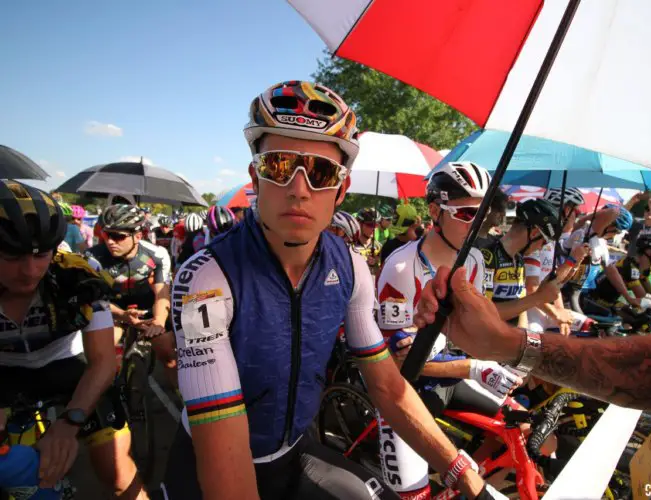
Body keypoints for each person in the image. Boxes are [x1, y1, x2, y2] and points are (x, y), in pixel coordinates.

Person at [162, 81, 498, 500]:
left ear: (340, 190)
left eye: (321, 173)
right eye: (280, 166)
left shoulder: (351, 266)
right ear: (256, 178)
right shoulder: (206, 279)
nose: (300, 189)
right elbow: (223, 449)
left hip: (293, 453)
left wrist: (465, 475)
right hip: (209, 470)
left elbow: (390, 388)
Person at [415, 185, 651, 495]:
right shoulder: (474, 257)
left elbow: (528, 301)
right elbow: (520, 303)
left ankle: (483, 471)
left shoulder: (515, 258)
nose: (546, 246)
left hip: (487, 346)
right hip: (446, 361)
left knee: (518, 416)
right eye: (466, 213)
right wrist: (505, 345)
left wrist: (517, 338)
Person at [376, 161, 524, 498]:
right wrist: (472, 367)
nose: (480, 224)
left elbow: (479, 331)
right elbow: (394, 366)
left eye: (484, 214)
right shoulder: (401, 267)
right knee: (413, 494)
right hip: (403, 389)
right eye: (468, 213)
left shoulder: (475, 260)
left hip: (446, 373)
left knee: (523, 423)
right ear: (435, 211)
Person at [0, 181, 146, 499]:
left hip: (72, 368)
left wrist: (69, 423)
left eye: (41, 255)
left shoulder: (79, 276)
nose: (30, 270)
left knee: (118, 473)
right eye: (12, 256)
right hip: (7, 375)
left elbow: (104, 361)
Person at [85, 205, 178, 389]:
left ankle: (185, 402)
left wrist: (159, 322)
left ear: (138, 236)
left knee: (168, 355)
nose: (110, 241)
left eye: (118, 236)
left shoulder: (157, 255)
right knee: (99, 358)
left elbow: (162, 294)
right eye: (106, 235)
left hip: (147, 307)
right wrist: (122, 315)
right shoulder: (92, 258)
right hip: (112, 308)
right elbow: (95, 299)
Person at [478, 199, 562, 328]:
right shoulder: (488, 256)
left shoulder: (519, 259)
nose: (540, 248)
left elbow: (520, 309)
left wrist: (525, 338)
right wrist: (538, 297)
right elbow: (484, 312)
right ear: (534, 233)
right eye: (544, 242)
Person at [525, 188, 591, 335]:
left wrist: (576, 260)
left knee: (593, 329)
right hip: (530, 309)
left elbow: (555, 283)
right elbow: (531, 289)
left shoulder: (551, 240)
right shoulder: (537, 238)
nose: (576, 218)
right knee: (535, 347)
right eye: (577, 213)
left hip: (546, 307)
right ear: (567, 210)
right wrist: (557, 314)